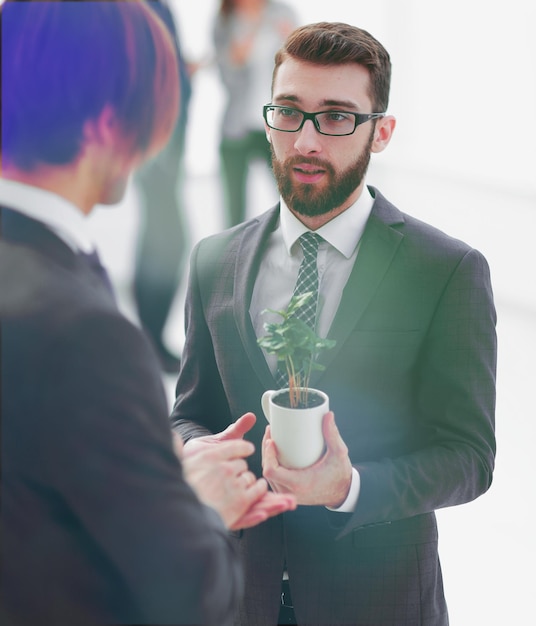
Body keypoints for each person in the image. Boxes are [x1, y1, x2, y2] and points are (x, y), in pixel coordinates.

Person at [170, 21, 497, 626]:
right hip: (237, 598)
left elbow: (469, 457)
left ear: (381, 133)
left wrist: (349, 485)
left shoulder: (446, 270)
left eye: (338, 117)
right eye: (289, 113)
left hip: (378, 604)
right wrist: (196, 452)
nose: (306, 142)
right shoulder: (214, 259)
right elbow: (191, 410)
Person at [0, 2, 295, 625]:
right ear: (111, 125)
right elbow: (190, 592)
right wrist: (198, 505)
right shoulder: (87, 335)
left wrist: (150, 468)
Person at [132, 0, 192, 373]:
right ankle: (148, 343)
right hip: (154, 143)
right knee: (167, 241)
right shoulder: (140, 7)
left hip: (165, 141)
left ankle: (150, 342)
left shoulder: (158, 6)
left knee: (161, 241)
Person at [213, 0, 297, 226]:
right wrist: (237, 56)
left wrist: (292, 43)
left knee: (294, 202)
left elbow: (304, 66)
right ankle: (235, 259)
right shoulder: (224, 21)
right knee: (234, 214)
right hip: (237, 128)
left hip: (279, 126)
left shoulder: (283, 13)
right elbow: (226, 78)